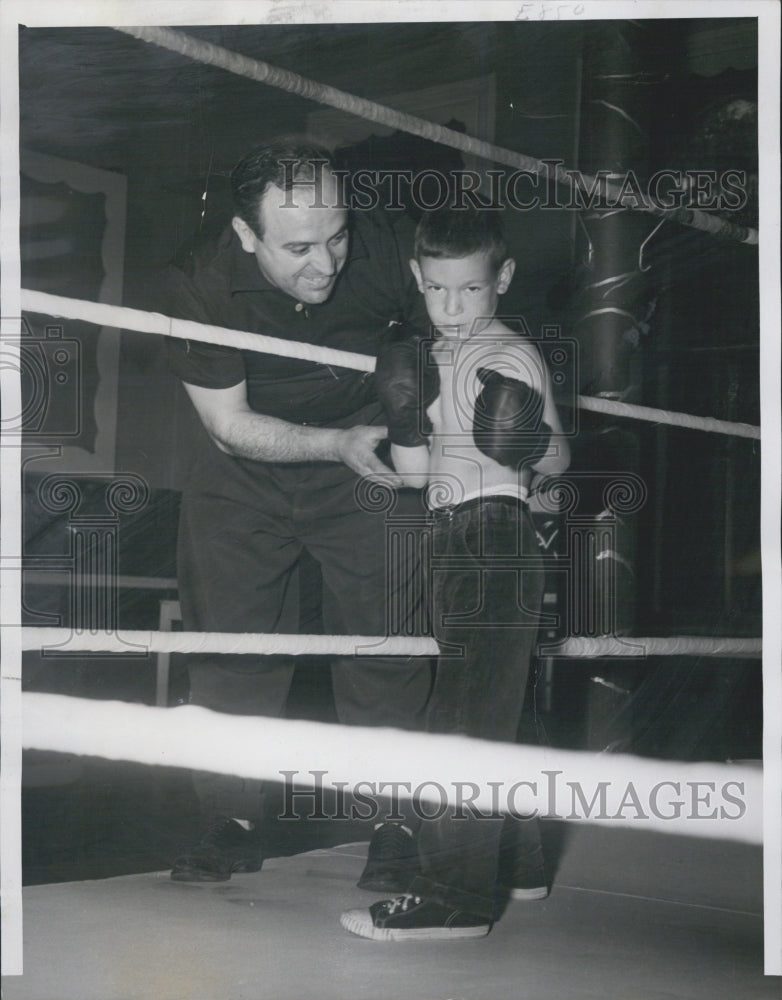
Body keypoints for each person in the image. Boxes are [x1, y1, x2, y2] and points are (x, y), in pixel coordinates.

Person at [164, 138, 433, 883]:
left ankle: (396, 820)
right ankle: (232, 819)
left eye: (336, 235)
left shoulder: (387, 246)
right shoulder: (200, 278)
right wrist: (332, 442)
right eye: (299, 247)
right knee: (231, 646)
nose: (326, 263)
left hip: (367, 454)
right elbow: (229, 424)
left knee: (389, 642)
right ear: (246, 236)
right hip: (243, 464)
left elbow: (461, 333)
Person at [341, 205, 570, 940]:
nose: (454, 307)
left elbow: (559, 458)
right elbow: (413, 475)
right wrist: (407, 420)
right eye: (439, 291)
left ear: (501, 279)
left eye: (470, 290)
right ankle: (520, 865)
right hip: (449, 538)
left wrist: (523, 436)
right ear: (417, 279)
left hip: (496, 534)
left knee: (464, 719)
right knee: (495, 705)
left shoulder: (512, 352)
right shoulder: (425, 356)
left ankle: (453, 894)